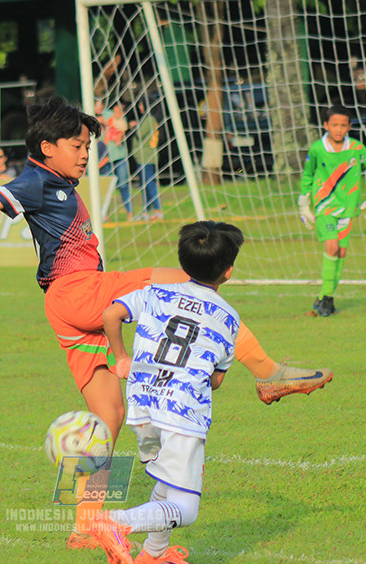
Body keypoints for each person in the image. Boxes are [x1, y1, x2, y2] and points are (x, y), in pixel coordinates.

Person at [0, 96, 331, 547]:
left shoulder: (56, 181)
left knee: (107, 416)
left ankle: (85, 525)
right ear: (47, 148)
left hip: (65, 309)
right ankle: (268, 373)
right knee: (192, 280)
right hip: (79, 290)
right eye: (77, 146)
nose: (85, 153)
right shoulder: (35, 181)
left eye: (87, 145)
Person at [96, 220, 243, 564]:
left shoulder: (155, 292)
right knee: (186, 508)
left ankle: (153, 555)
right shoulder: (229, 318)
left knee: (167, 479)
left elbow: (111, 314)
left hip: (143, 406)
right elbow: (215, 380)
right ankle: (115, 522)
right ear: (228, 271)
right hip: (181, 412)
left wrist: (122, 358)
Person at [298, 105, 366, 317]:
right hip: (324, 206)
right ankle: (326, 298)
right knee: (332, 247)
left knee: (341, 253)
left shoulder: (356, 148)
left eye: (343, 125)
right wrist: (304, 203)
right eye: (334, 125)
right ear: (326, 125)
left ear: (349, 127)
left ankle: (325, 297)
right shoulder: (317, 149)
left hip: (348, 207)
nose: (338, 129)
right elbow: (308, 175)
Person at [100, 102, 134, 220]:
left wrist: (119, 136)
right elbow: (99, 119)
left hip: (120, 157)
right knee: (106, 187)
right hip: (107, 158)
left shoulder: (121, 120)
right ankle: (105, 214)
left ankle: (130, 213)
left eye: (119, 111)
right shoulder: (107, 114)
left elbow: (123, 128)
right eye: (116, 111)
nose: (117, 113)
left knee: (123, 185)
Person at [131, 100, 162, 221]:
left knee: (149, 183)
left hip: (146, 156)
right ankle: (146, 211)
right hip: (145, 156)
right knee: (145, 184)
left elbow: (139, 134)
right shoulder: (149, 119)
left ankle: (158, 210)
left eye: (141, 104)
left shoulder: (149, 119)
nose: (139, 106)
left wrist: (134, 126)